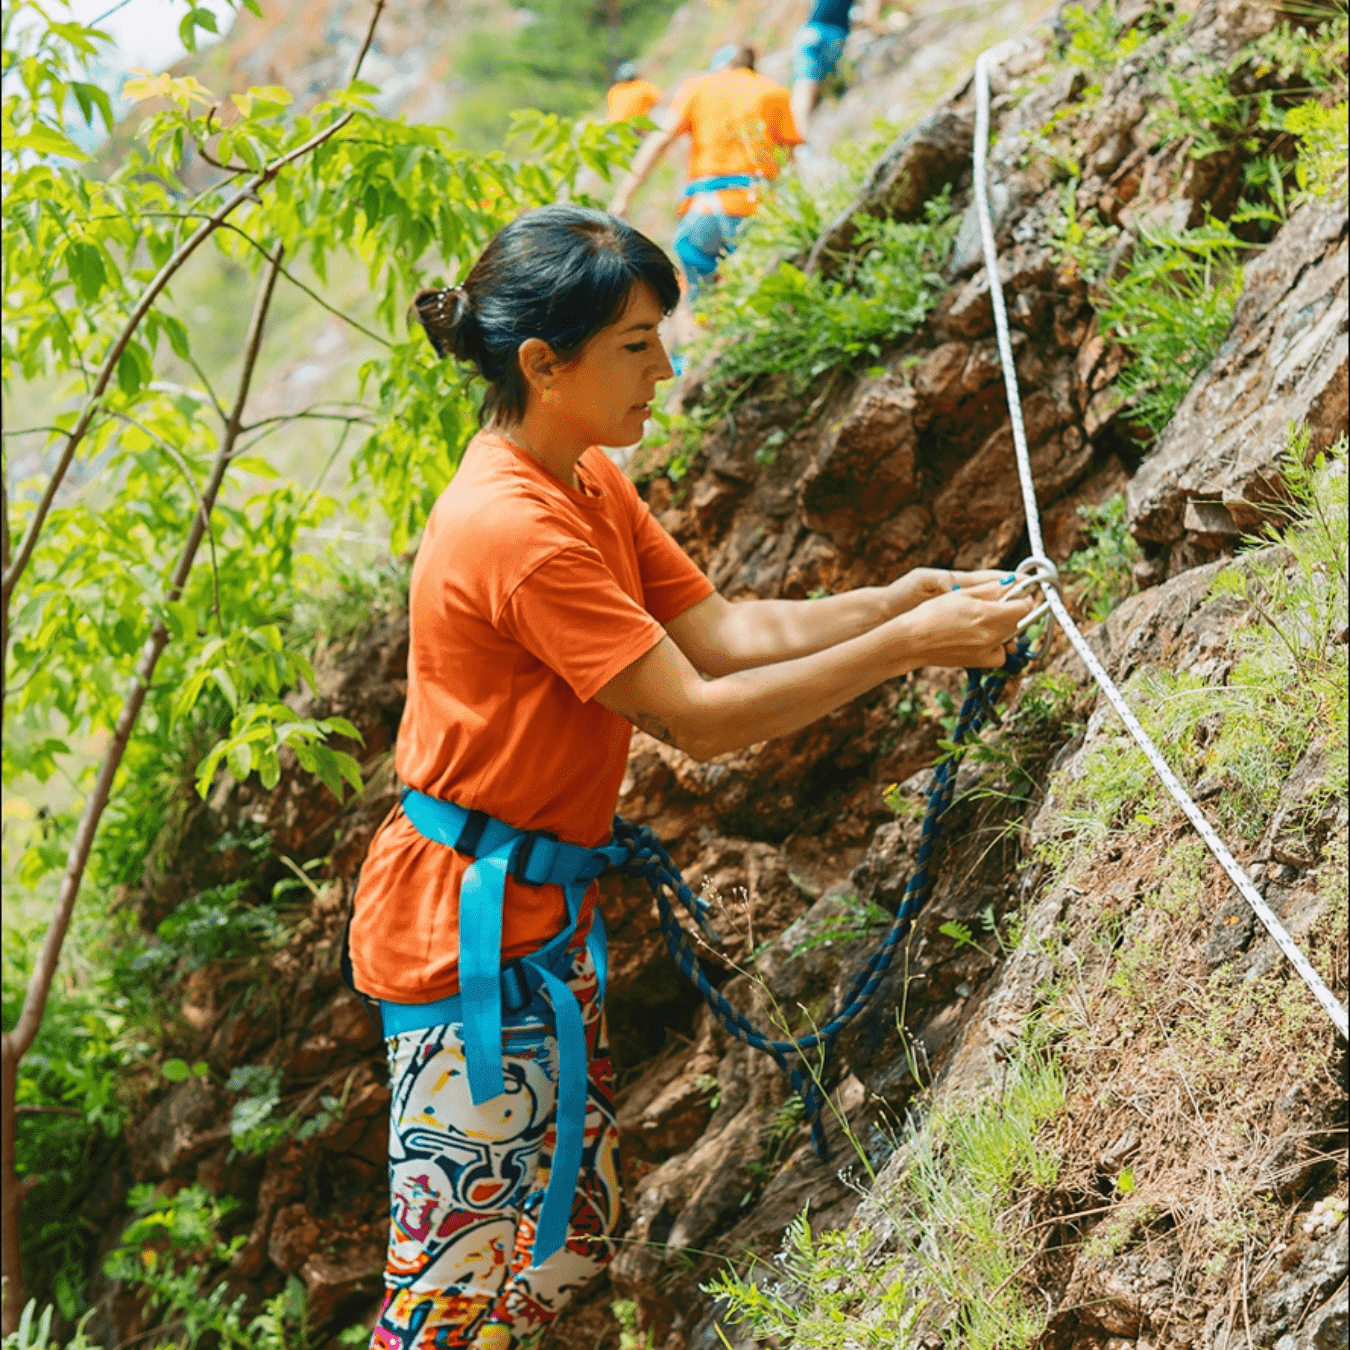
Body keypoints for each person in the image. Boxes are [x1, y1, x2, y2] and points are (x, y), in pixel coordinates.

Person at [348, 202, 1033, 1350]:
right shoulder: (513, 528)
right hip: (462, 934)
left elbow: (721, 633)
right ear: (541, 363)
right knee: (454, 1293)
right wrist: (910, 647)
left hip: (531, 912)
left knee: (559, 1246)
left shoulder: (579, 478)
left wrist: (903, 598)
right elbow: (701, 720)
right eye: (637, 346)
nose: (666, 367)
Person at [609, 44, 801, 302]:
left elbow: (660, 140)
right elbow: (789, 162)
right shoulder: (774, 92)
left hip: (706, 208)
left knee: (700, 300)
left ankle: (702, 332)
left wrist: (624, 196)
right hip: (760, 206)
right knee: (758, 296)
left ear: (722, 66)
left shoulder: (699, 87)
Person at [789, 0, 884, 135]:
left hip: (809, 30)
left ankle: (802, 136)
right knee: (826, 90)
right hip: (834, 34)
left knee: (803, 88)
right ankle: (810, 137)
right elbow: (870, 14)